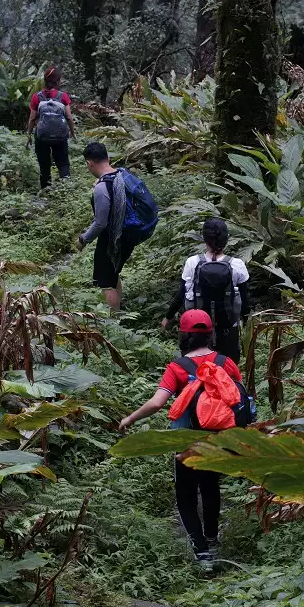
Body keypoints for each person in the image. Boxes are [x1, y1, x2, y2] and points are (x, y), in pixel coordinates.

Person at [118, 310, 241, 562]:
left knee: (185, 495)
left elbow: (157, 403)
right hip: (218, 439)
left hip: (185, 442)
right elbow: (241, 398)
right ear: (210, 334)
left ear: (183, 335)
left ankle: (201, 551)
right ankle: (212, 540)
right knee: (210, 487)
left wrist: (130, 418)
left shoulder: (177, 368)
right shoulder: (225, 362)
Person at [162, 218, 250, 361]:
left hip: (196, 331)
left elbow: (181, 294)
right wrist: (247, 324)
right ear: (226, 239)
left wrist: (168, 317)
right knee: (227, 374)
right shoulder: (237, 265)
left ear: (203, 238)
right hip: (228, 330)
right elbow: (245, 301)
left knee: (196, 372)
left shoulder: (192, 262)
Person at [77, 142, 137, 311]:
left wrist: (84, 239)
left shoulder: (102, 187)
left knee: (106, 281)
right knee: (113, 273)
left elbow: (100, 222)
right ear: (108, 158)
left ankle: (114, 322)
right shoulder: (122, 174)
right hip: (127, 233)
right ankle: (119, 311)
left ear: (89, 163)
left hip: (113, 238)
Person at [26, 66, 77, 189]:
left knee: (44, 165)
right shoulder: (63, 96)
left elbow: (32, 119)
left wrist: (28, 136)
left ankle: (45, 191)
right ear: (58, 81)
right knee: (63, 163)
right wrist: (73, 133)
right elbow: (69, 117)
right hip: (60, 136)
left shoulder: (36, 97)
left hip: (42, 136)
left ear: (44, 80)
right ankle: (66, 191)